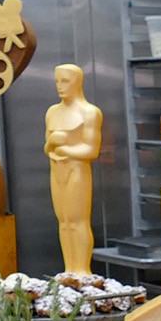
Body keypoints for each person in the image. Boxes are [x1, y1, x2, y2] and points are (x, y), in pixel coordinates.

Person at [45, 63, 104, 274]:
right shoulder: (52, 112)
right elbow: (47, 148)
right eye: (57, 81)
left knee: (78, 221)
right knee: (64, 222)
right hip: (57, 170)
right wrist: (53, 142)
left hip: (77, 171)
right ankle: (69, 269)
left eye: (65, 81)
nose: (60, 86)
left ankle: (82, 270)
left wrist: (65, 149)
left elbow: (91, 150)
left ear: (77, 82)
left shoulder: (89, 113)